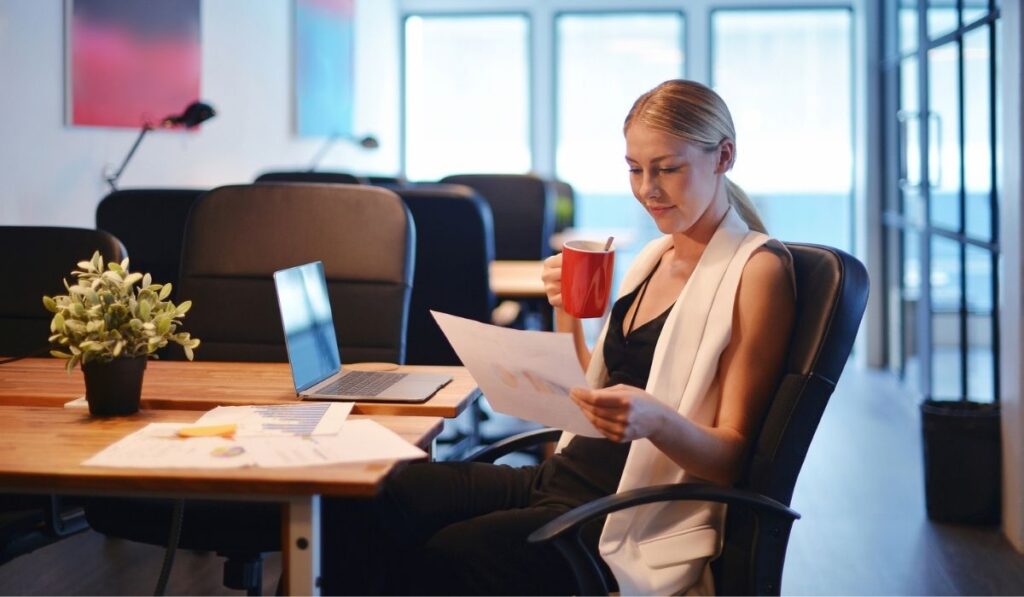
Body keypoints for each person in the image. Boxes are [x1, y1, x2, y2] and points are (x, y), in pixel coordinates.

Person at [322, 79, 796, 596]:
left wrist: (656, 418)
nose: (647, 189)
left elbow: (733, 461)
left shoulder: (757, 271)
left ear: (723, 156)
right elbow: (597, 384)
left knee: (454, 552)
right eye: (635, 169)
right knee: (371, 490)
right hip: (561, 478)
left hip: (622, 510)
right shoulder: (655, 257)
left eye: (668, 168)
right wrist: (568, 313)